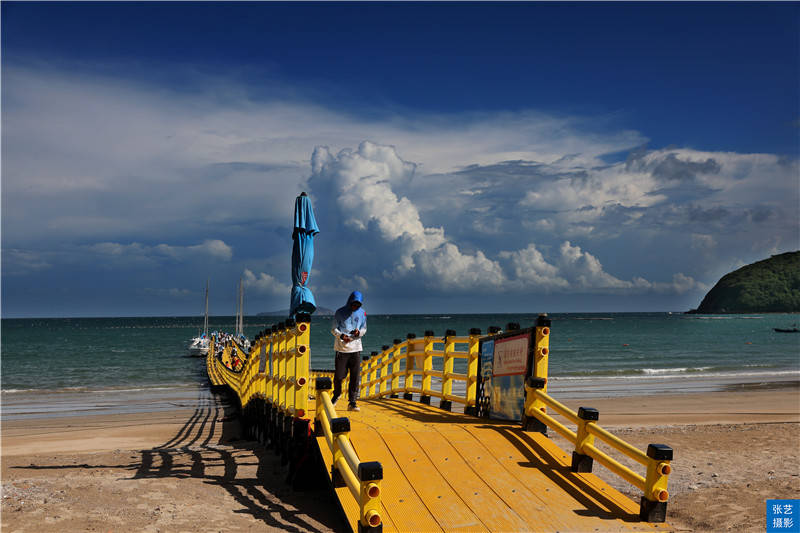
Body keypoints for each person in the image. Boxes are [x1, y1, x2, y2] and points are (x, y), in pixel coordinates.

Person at [331, 290, 367, 411]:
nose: (355, 306)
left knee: (355, 377)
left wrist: (358, 332)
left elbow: (364, 329)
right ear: (349, 302)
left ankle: (352, 402)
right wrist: (341, 336)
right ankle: (337, 394)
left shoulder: (362, 313)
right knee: (339, 376)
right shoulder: (340, 312)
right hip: (342, 349)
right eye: (353, 304)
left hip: (356, 348)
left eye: (358, 305)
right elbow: (333, 329)